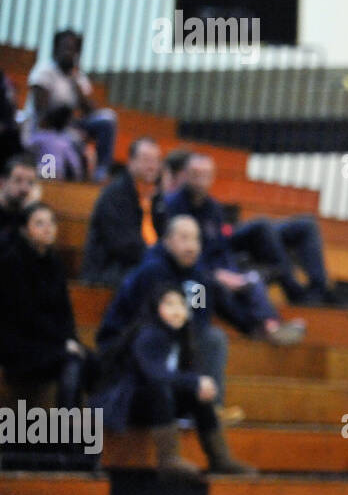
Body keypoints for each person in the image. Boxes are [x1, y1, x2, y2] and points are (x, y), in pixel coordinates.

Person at [92, 283, 255, 480]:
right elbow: (155, 374)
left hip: (161, 406)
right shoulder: (148, 334)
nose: (177, 311)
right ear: (156, 307)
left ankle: (220, 458)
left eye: (181, 305)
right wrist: (195, 382)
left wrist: (199, 385)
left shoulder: (183, 337)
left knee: (197, 395)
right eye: (169, 304)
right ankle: (168, 459)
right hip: (128, 405)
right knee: (162, 388)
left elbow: (186, 375)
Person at [157, 153, 305, 346]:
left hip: (213, 269)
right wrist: (216, 274)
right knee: (211, 288)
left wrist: (232, 274)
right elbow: (173, 253)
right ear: (185, 174)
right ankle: (256, 327)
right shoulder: (170, 205)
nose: (200, 180)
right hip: (186, 275)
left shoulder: (214, 208)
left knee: (251, 280)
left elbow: (221, 248)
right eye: (195, 174)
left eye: (205, 175)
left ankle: (270, 324)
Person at [97, 215, 231, 406]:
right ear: (167, 241)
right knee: (155, 337)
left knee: (212, 338)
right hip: (134, 340)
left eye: (196, 239)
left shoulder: (199, 280)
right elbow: (139, 320)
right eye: (184, 238)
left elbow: (201, 319)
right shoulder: (151, 272)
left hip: (176, 339)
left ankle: (210, 406)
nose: (191, 246)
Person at [0, 203, 87, 407]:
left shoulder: (55, 262)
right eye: (40, 223)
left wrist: (71, 338)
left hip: (49, 343)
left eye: (51, 222)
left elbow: (65, 310)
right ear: (24, 229)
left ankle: (67, 430)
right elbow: (24, 314)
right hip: (19, 343)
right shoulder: (11, 262)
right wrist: (63, 343)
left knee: (89, 362)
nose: (48, 228)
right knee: (72, 362)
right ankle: (65, 433)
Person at [25, 29, 116, 181]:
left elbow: (91, 111)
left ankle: (102, 171)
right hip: (45, 129)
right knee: (66, 146)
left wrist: (74, 82)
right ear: (56, 49)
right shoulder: (43, 72)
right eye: (65, 48)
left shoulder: (78, 77)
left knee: (107, 119)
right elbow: (42, 114)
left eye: (73, 49)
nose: (69, 53)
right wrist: (68, 121)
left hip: (70, 126)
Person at [81, 136, 163, 287]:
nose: (152, 166)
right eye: (146, 160)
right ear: (131, 162)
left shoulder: (158, 197)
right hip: (110, 269)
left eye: (156, 160)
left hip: (147, 263)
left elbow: (165, 234)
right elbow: (123, 245)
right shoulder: (115, 195)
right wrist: (159, 258)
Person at [0, 152, 41, 240]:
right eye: (18, 180)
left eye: (30, 182)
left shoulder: (29, 214)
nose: (24, 188)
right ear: (2, 183)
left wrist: (31, 211)